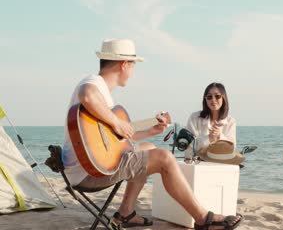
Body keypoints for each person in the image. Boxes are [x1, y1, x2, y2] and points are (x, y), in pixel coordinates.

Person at [62, 39, 242, 229]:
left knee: (149, 148)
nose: (132, 72)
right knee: (164, 158)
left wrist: (150, 131)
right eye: (133, 66)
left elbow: (116, 144)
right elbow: (87, 95)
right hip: (91, 172)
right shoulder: (94, 83)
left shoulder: (104, 95)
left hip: (87, 167)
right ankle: (203, 218)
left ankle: (126, 213)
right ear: (124, 65)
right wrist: (117, 122)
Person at [184, 82, 236, 161]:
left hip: (221, 164)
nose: (213, 99)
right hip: (197, 164)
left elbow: (232, 148)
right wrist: (209, 138)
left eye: (217, 96)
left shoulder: (230, 121)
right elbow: (188, 148)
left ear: (223, 98)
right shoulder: (194, 118)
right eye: (209, 97)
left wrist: (220, 136)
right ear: (205, 100)